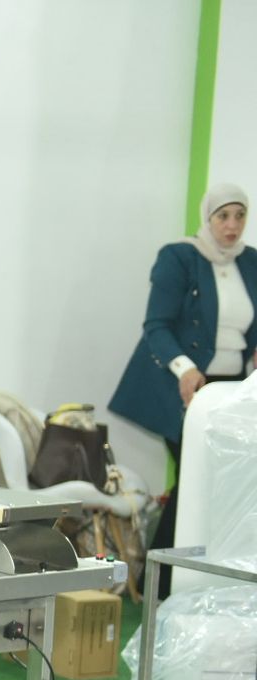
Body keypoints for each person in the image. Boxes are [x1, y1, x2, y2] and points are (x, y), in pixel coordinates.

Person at [107, 184, 257, 584]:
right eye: (223, 216)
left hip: (229, 388)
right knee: (195, 477)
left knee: (217, 481)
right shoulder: (179, 256)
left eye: (240, 215)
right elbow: (156, 325)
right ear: (207, 217)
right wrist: (186, 370)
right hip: (183, 384)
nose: (232, 225)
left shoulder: (251, 261)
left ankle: (192, 578)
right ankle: (160, 583)